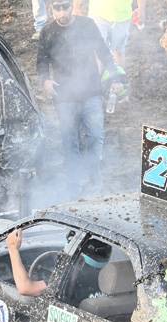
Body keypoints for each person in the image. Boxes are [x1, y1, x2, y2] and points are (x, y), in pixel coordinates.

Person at [37, 0, 124, 198]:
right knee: (69, 141)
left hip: (91, 92)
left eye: (65, 7)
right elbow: (41, 62)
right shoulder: (47, 32)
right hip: (64, 96)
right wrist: (46, 81)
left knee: (95, 136)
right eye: (57, 8)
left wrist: (115, 78)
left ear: (71, 7)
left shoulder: (87, 25)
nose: (62, 12)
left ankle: (94, 182)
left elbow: (104, 52)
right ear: (51, 9)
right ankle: (74, 185)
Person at [89, 0, 146, 67]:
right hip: (98, 13)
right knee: (97, 52)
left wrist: (141, 9)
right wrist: (76, 7)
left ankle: (119, 77)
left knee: (119, 52)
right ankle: (97, 77)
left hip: (122, 17)